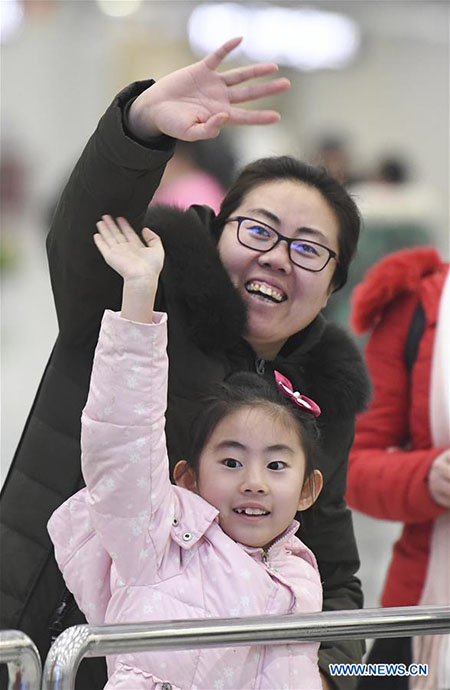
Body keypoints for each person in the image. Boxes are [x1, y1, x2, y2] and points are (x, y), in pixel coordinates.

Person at [0, 38, 370, 690]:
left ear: (334, 286)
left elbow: (333, 571)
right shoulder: (144, 298)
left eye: (310, 250)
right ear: (218, 228)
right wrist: (139, 128)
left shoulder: (319, 400)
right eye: (258, 230)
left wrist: (326, 673)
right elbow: (82, 236)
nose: (279, 258)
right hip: (46, 631)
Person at [49, 215, 326, 689]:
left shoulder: (299, 573)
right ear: (188, 480)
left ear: (307, 489)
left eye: (276, 465)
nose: (254, 481)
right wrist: (139, 293)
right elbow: (123, 438)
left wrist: (387, 671)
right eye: (231, 461)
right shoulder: (157, 540)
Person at [347, 246, 450, 689]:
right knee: (363, 676)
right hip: (418, 613)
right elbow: (353, 464)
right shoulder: (415, 305)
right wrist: (429, 477)